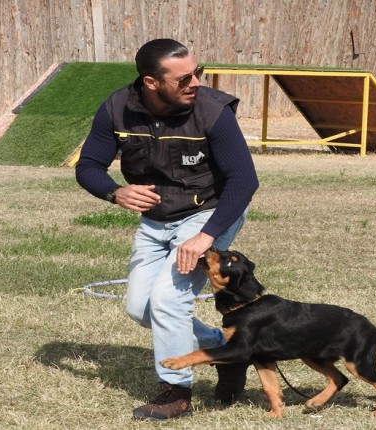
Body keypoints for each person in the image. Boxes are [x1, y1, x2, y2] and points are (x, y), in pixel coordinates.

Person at [75, 38, 259, 420]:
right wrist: (114, 192)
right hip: (155, 222)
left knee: (166, 300)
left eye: (198, 73)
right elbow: (88, 165)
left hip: (207, 216)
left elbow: (243, 180)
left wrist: (207, 236)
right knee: (140, 308)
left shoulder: (213, 110)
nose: (195, 82)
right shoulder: (116, 109)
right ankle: (224, 350)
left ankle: (175, 390)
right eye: (184, 78)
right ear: (151, 82)